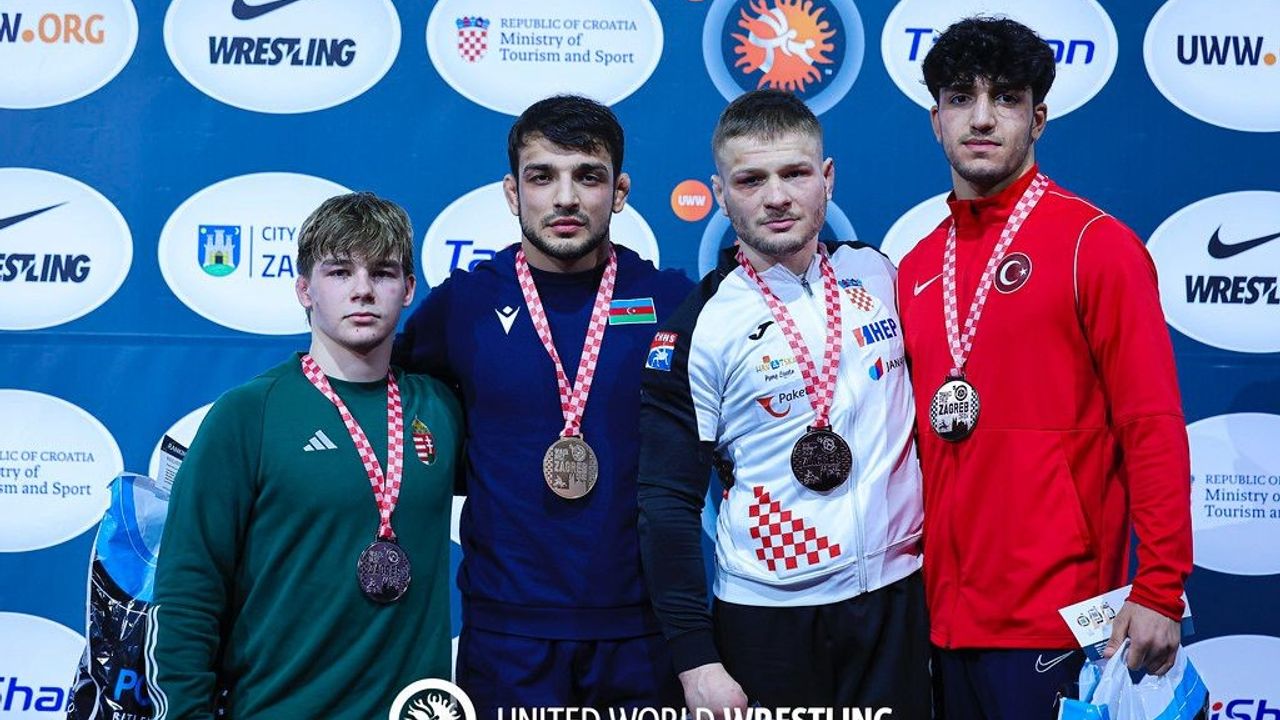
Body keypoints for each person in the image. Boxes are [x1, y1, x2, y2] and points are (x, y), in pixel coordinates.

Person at [896, 16, 1193, 719]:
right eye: (961, 97)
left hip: (1061, 624)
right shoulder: (915, 267)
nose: (982, 117)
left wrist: (1160, 587)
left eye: (1005, 97)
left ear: (1038, 119)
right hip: (939, 624)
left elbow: (1152, 425)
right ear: (936, 120)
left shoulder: (1097, 245)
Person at [393, 95, 692, 713]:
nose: (565, 198)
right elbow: (389, 401)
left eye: (588, 176)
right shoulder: (464, 306)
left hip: (641, 628)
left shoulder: (670, 302)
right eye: (542, 177)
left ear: (620, 192)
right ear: (512, 193)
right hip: (508, 634)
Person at [637, 89, 929, 714]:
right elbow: (666, 504)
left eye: (795, 173)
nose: (776, 197)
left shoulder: (878, 276)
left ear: (828, 179)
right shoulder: (699, 326)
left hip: (897, 601)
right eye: (751, 180)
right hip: (768, 619)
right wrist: (695, 659)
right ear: (721, 194)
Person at [150, 192, 463, 718]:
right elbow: (187, 592)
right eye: (339, 272)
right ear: (304, 289)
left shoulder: (441, 409)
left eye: (382, 273)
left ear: (409, 288)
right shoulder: (249, 414)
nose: (362, 290)